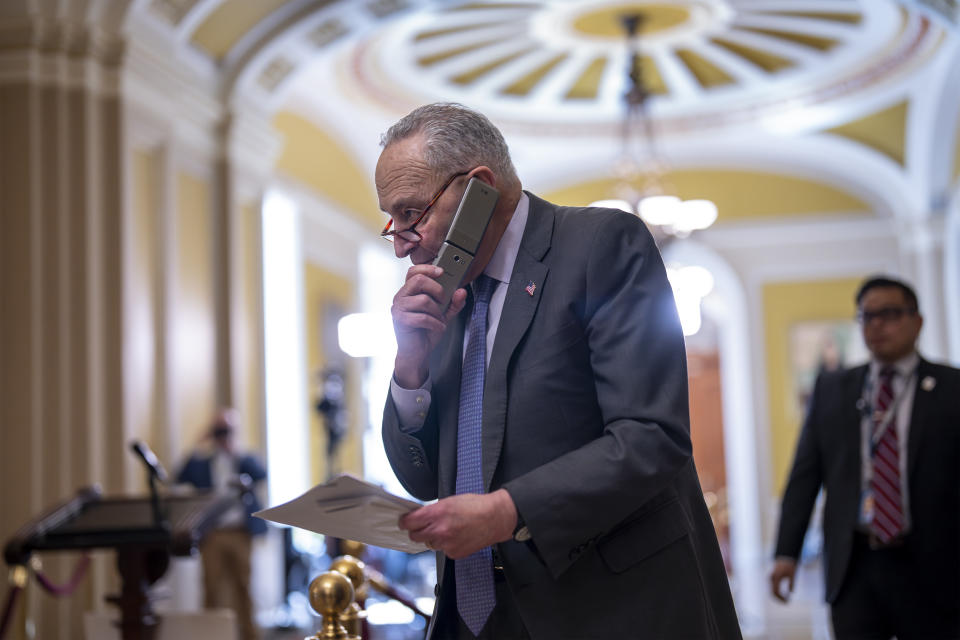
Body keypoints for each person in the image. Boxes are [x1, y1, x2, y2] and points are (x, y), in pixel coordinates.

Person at [377, 103, 741, 639]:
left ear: (480, 187)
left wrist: (507, 511)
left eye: (413, 213)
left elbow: (651, 437)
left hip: (609, 610)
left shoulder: (601, 245)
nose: (403, 242)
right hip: (477, 616)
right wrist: (410, 365)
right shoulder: (442, 298)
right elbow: (424, 478)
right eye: (393, 222)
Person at [771, 276, 960, 639]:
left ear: (916, 321)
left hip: (932, 563)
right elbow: (805, 475)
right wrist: (785, 553)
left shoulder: (951, 389)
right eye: (867, 316)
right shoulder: (833, 389)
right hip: (855, 563)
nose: (876, 325)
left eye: (889, 314)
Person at [176, 408, 267, 640]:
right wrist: (200, 442)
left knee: (243, 588)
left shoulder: (242, 459)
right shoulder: (203, 463)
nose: (223, 435)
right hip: (213, 534)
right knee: (211, 588)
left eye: (227, 430)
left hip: (240, 533)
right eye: (219, 430)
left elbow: (260, 474)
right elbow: (180, 476)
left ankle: (250, 636)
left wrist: (235, 448)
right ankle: (211, 636)